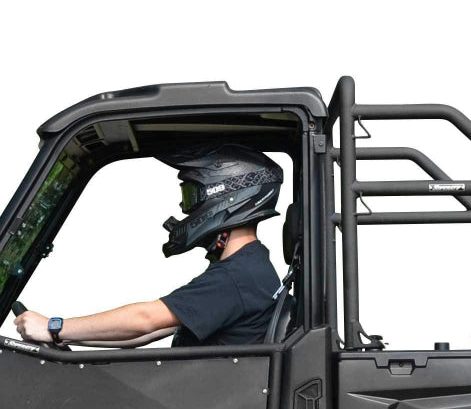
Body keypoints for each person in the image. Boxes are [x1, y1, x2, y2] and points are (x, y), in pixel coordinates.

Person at [14, 144, 283, 348]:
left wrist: (53, 326)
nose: (185, 207)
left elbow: (145, 319)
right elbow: (145, 334)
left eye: (191, 197)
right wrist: (63, 336)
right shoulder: (249, 267)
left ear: (226, 196)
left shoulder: (236, 278)